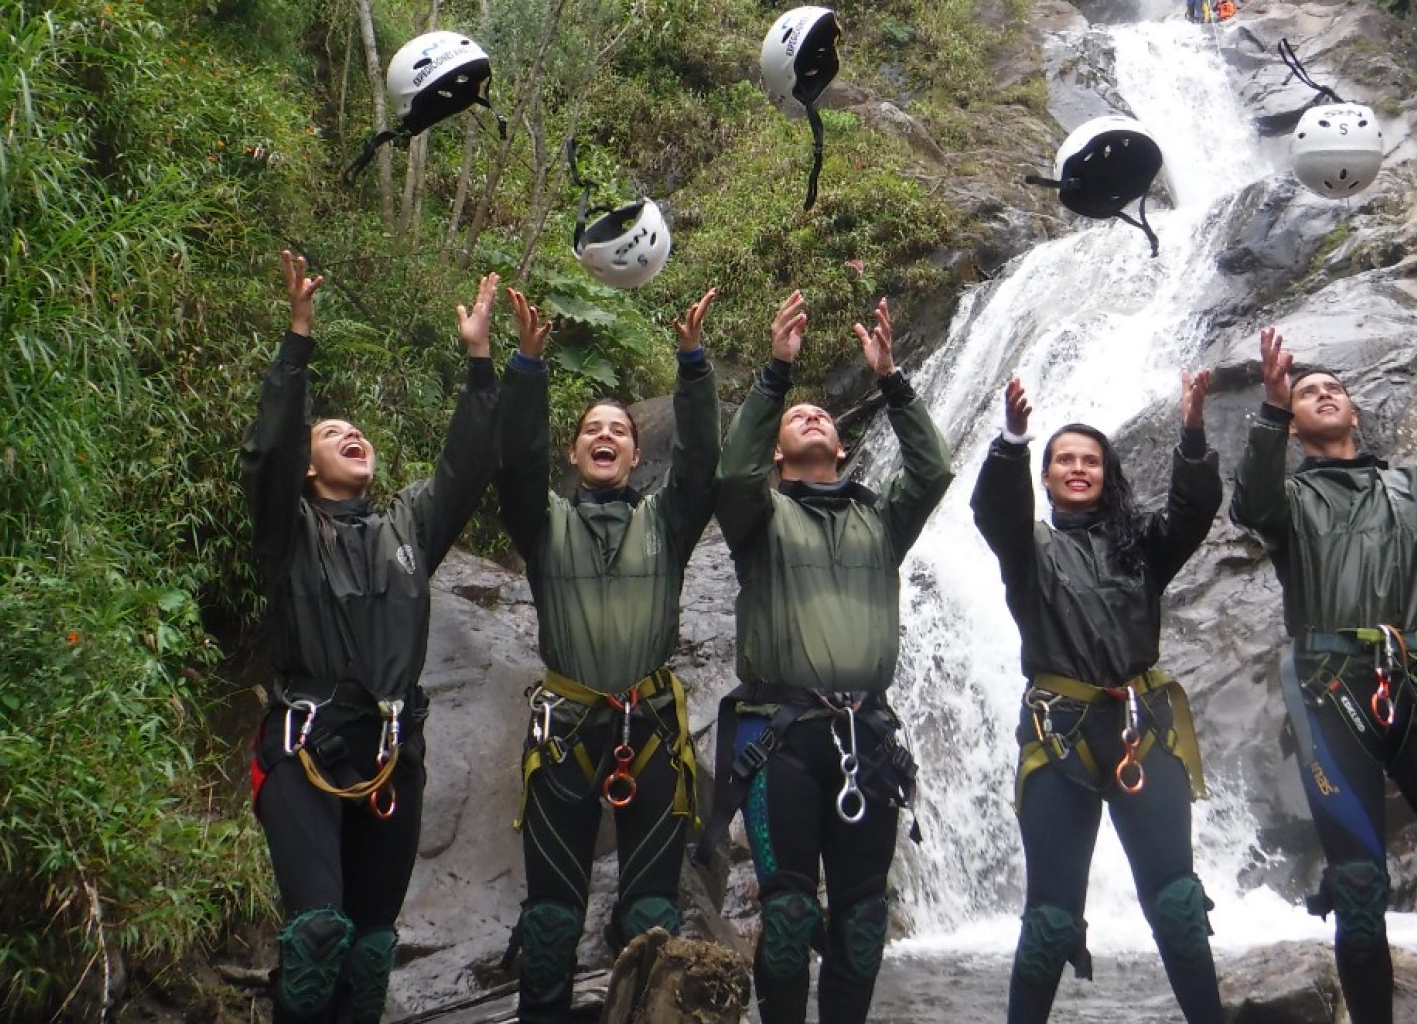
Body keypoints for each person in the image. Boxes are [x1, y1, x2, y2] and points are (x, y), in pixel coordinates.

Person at [1230, 298, 1417, 1024]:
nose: (1322, 390)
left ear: (1355, 411)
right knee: (1359, 888)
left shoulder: (1412, 487)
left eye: (1333, 386)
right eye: (1306, 391)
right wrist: (1268, 409)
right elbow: (1248, 503)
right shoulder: (1290, 500)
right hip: (1331, 689)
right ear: (1295, 425)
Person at [242, 252, 502, 1024]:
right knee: (319, 933)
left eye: (358, 431)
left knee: (369, 949)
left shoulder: (406, 527)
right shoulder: (285, 531)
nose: (352, 434)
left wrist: (480, 360)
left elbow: (464, 467)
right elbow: (267, 455)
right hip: (306, 746)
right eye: (333, 431)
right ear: (310, 465)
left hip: (394, 752)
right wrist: (297, 340)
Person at [706, 291, 953, 1024]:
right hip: (781, 738)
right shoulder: (760, 517)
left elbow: (933, 468)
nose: (812, 415)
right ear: (779, 452)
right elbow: (730, 477)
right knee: (785, 920)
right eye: (795, 419)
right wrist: (776, 375)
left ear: (842, 446)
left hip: (868, 738)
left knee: (864, 922)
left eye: (821, 414)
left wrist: (893, 380)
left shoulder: (880, 520)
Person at [493, 285, 723, 1023]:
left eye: (618, 429)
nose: (605, 435)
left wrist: (692, 364)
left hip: (649, 727)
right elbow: (517, 465)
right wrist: (527, 366)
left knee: (653, 913)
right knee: (553, 920)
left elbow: (701, 458)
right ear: (575, 448)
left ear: (635, 450)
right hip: (564, 730)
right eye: (592, 426)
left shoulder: (666, 522)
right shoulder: (544, 523)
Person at [970, 371, 1227, 1024]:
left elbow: (1194, 513)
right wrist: (1013, 439)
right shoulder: (1028, 550)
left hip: (1143, 728)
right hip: (1059, 735)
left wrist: (1192, 432)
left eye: (1091, 460)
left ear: (1106, 475)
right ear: (1048, 477)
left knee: (1176, 903)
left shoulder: (1139, 543)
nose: (1078, 468)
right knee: (1052, 920)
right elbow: (993, 510)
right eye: (1065, 460)